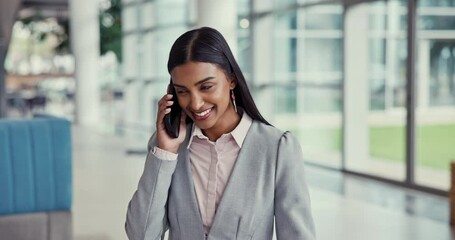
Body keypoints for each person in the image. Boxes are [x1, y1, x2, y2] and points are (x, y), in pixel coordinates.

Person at [125, 27, 316, 240]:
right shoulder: (168, 148)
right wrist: (164, 155)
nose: (195, 103)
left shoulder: (277, 148)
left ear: (231, 80)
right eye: (182, 91)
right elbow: (140, 235)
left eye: (206, 86)